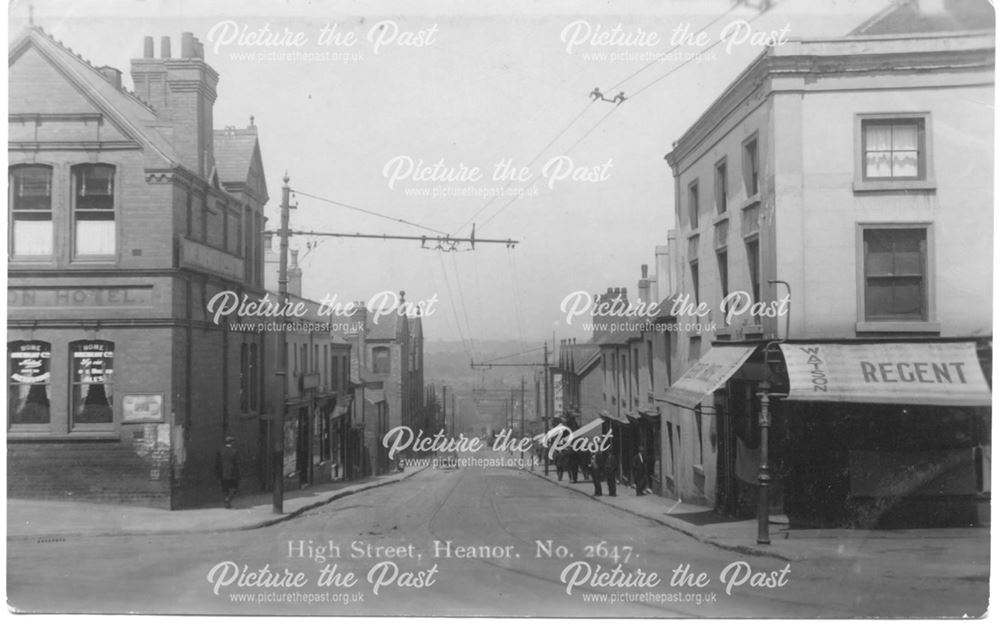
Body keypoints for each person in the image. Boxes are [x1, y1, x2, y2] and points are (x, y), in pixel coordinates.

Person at [215, 435, 241, 508]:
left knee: (225, 488)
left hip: (223, 473)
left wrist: (217, 473)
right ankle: (228, 499)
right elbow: (237, 463)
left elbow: (217, 463)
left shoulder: (220, 451)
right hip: (232, 473)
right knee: (234, 488)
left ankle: (227, 502)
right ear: (232, 442)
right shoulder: (235, 451)